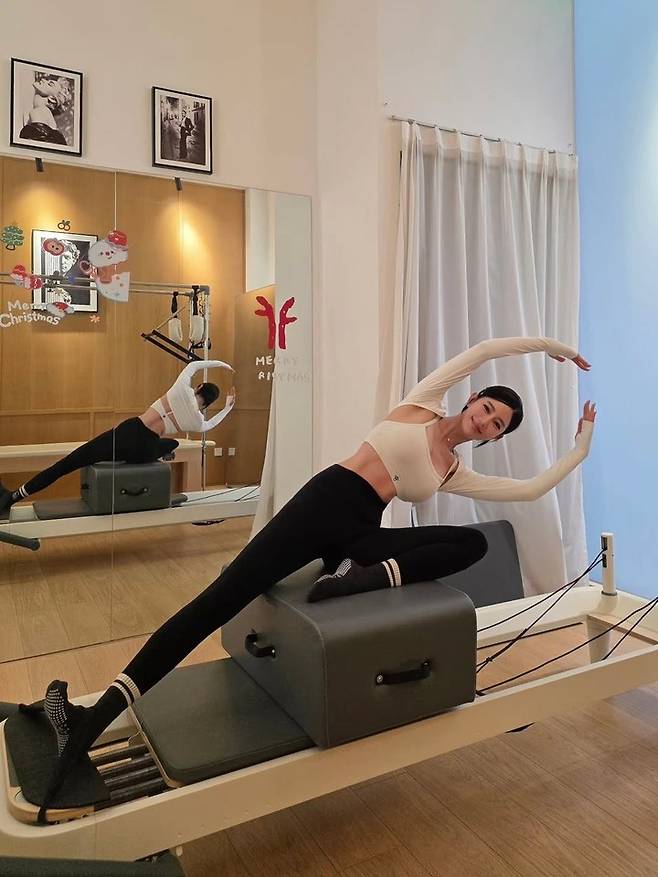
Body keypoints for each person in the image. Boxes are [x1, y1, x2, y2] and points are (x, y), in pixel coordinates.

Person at [26, 336, 595, 822]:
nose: (486, 420)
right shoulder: (423, 404)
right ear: (472, 399)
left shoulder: (452, 471)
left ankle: (364, 577)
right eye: (488, 408)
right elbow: (485, 350)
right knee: (218, 602)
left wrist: (581, 445)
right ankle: (91, 722)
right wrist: (552, 349)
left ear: (494, 437)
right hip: (325, 503)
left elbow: (529, 490)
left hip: (362, 533)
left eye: (496, 425)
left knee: (472, 541)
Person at [0, 360, 235, 516]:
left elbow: (194, 365)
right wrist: (228, 407)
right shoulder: (196, 421)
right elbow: (211, 424)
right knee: (171, 443)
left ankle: (14, 496)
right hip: (143, 451)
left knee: (65, 465)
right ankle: (163, 453)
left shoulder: (181, 389)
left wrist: (221, 365)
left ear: (199, 387)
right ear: (208, 403)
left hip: (128, 433)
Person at [19, 74, 71, 146]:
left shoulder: (39, 112)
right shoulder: (44, 114)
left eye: (50, 84)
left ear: (52, 99)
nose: (43, 80)